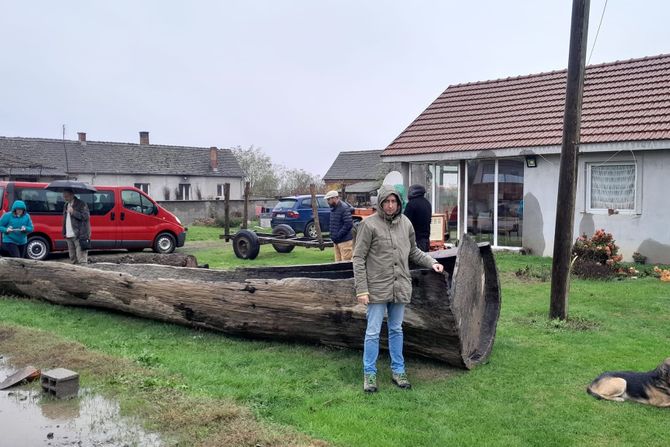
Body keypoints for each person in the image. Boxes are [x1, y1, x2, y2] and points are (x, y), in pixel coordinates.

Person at [353, 185, 444, 393]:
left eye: (394, 201)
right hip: (376, 287)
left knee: (396, 330)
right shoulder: (368, 225)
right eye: (387, 201)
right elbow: (358, 258)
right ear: (381, 203)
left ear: (399, 202)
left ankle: (398, 370)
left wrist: (432, 263)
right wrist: (362, 289)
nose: (390, 205)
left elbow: (413, 251)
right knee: (373, 332)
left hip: (400, 285)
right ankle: (369, 374)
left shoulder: (406, 223)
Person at [62, 189, 91, 264]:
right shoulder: (66, 205)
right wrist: (64, 232)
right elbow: (65, 220)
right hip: (69, 235)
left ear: (72, 195)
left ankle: (83, 275)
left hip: (79, 235)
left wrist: (73, 212)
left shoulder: (81, 204)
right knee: (72, 259)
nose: (65, 198)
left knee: (81, 259)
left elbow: (86, 216)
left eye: (66, 196)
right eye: (64, 196)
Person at [325, 190, 353, 261]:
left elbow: (348, 224)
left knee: (346, 264)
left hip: (345, 242)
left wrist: (338, 235)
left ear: (334, 198)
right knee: (337, 263)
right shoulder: (334, 209)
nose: (328, 202)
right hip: (337, 241)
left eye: (329, 199)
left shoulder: (344, 208)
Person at [403, 184, 432, 252]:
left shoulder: (411, 204)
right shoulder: (427, 203)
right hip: (426, 240)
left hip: (415, 241)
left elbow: (404, 223)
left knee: (414, 261)